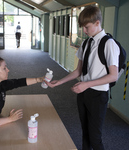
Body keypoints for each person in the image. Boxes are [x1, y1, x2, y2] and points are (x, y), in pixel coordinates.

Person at [46, 6, 119, 150]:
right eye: (82, 28)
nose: (84, 31)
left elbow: (113, 75)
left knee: (95, 138)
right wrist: (59, 82)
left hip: (98, 95)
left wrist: (87, 84)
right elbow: (78, 71)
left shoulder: (109, 44)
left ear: (98, 23)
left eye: (87, 27)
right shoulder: (86, 43)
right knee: (85, 133)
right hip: (83, 94)